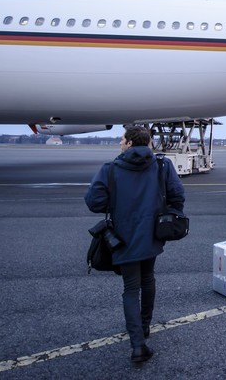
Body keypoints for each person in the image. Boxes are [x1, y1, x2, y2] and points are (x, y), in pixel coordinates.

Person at [84, 126, 185, 364]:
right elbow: (177, 195)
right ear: (148, 142)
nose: (119, 143)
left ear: (129, 143)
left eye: (121, 140)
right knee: (148, 278)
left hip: (123, 235)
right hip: (152, 233)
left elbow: (94, 202)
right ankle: (145, 325)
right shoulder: (163, 165)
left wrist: (115, 202)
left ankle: (138, 345)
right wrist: (169, 215)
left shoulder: (110, 169)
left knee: (131, 288)